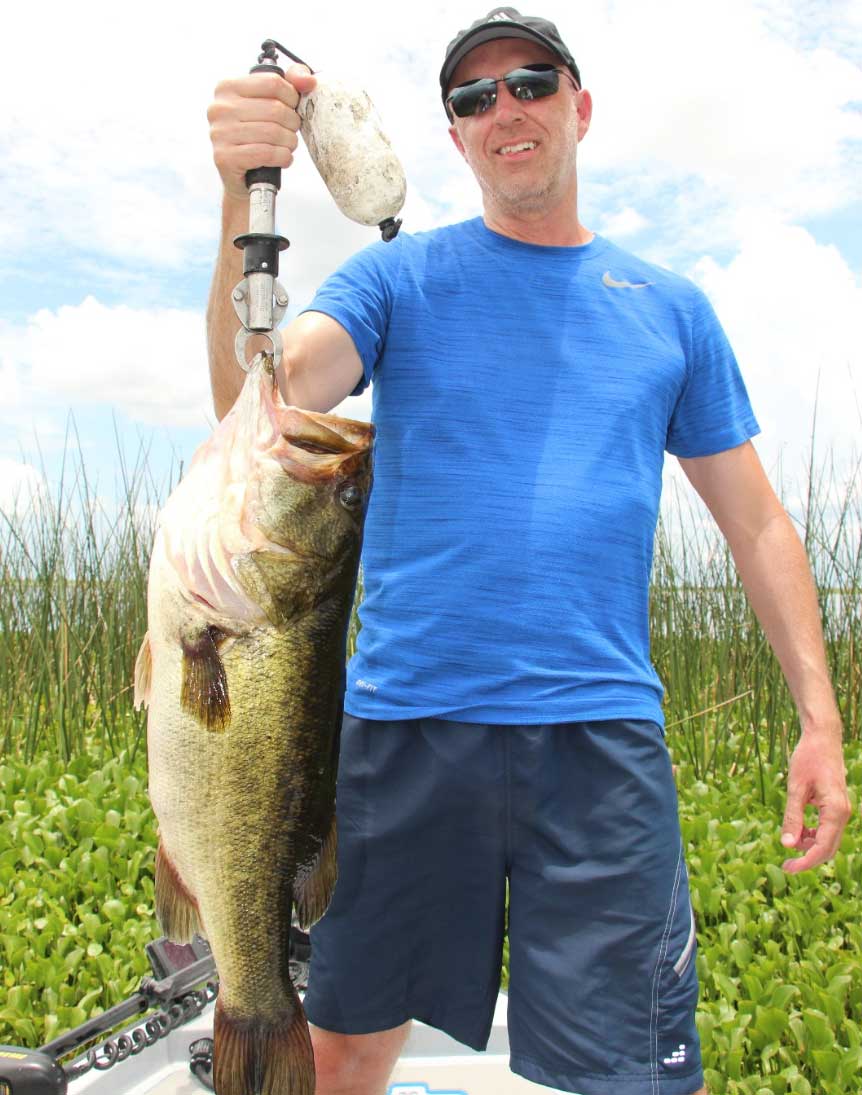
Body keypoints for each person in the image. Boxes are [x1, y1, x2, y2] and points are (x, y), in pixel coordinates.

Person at [205, 9, 851, 1094]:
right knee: (350, 1037)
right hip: (404, 727)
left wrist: (819, 719)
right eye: (472, 97)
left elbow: (756, 524)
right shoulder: (396, 284)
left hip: (598, 740)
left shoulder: (671, 310)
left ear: (577, 108)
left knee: (626, 1070)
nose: (503, 108)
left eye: (530, 83)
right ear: (454, 138)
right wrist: (241, 192)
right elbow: (252, 411)